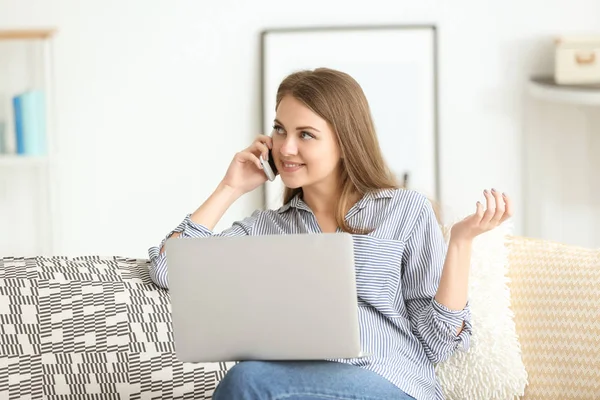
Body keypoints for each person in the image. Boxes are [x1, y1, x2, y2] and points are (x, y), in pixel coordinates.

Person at [148, 67, 513, 400]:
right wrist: (229, 188)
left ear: (344, 142)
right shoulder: (264, 229)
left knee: (247, 383)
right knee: (251, 381)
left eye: (305, 134)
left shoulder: (404, 210)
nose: (286, 148)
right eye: (279, 130)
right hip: (298, 387)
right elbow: (168, 269)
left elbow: (439, 342)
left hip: (391, 383)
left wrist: (461, 243)